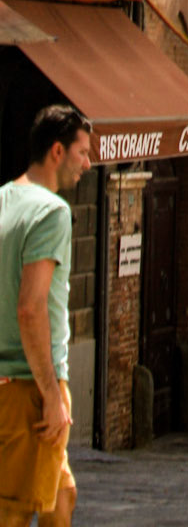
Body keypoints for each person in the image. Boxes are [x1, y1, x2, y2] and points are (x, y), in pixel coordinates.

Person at [0, 103, 91, 527]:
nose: (88, 165)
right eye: (82, 152)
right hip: (30, 389)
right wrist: (53, 395)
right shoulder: (51, 212)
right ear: (57, 151)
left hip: (15, 384)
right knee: (13, 512)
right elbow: (31, 309)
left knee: (62, 497)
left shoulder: (3, 199)